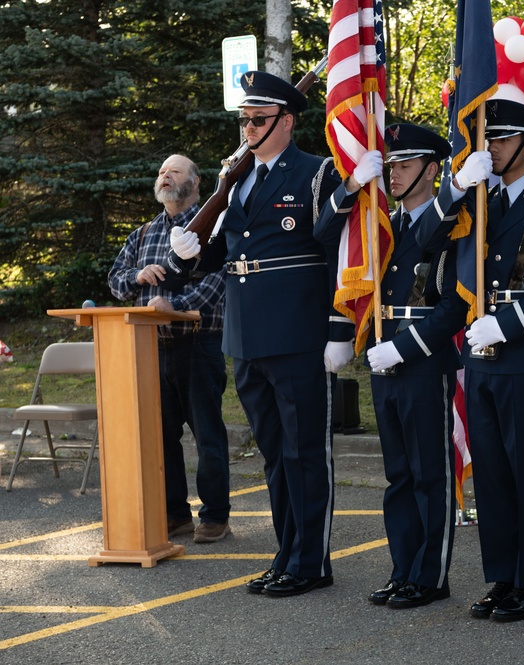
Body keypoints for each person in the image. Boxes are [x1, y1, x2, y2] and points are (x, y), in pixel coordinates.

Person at [168, 71, 350, 598]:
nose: (247, 128)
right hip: (245, 337)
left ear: (286, 121)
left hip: (297, 335)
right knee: (274, 453)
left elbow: (341, 256)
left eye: (258, 119)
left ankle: (311, 562)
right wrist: (192, 254)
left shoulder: (317, 175)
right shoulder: (238, 178)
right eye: (243, 119)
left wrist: (339, 329)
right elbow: (225, 254)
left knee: (304, 453)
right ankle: (286, 552)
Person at [415, 99, 524, 622]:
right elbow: (425, 240)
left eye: (503, 140)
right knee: (490, 473)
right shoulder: (474, 201)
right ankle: (501, 577)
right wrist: (457, 187)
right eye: (491, 139)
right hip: (478, 354)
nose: (492, 147)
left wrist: (507, 325)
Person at [313, 124, 466, 609]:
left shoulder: (453, 223)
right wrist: (353, 184)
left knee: (429, 473)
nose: (394, 174)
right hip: (382, 354)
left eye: (404, 165)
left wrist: (408, 347)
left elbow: (454, 305)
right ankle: (403, 570)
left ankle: (431, 575)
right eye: (391, 165)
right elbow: (323, 235)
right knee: (398, 474)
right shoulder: (379, 224)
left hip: (421, 358)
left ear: (431, 170)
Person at [108, 154, 232, 545]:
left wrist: (173, 307)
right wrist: (136, 275)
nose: (164, 176)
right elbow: (115, 281)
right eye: (161, 171)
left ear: (195, 184)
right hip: (149, 349)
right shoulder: (142, 235)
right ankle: (175, 515)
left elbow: (219, 283)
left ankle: (215, 516)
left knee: (207, 434)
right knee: (161, 436)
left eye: (174, 171)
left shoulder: (211, 228)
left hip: (198, 345)